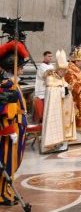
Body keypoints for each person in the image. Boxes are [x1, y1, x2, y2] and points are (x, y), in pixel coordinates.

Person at [0, 41, 29, 206]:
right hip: (12, 128)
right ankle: (2, 193)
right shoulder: (7, 85)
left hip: (19, 125)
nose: (22, 69)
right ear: (14, 68)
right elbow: (5, 111)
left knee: (14, 162)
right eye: (20, 67)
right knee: (8, 162)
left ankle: (8, 190)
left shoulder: (13, 84)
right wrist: (9, 130)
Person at [32, 51, 54, 123]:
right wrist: (52, 72)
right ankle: (39, 121)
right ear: (44, 57)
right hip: (42, 88)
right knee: (41, 107)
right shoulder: (41, 66)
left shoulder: (52, 66)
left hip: (50, 88)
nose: (50, 58)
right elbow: (45, 75)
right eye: (49, 56)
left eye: (51, 56)